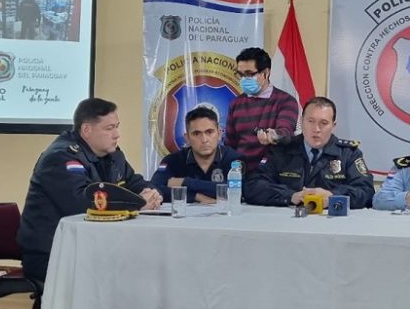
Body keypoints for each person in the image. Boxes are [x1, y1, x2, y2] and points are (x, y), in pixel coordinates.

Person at [17, 98, 162, 282]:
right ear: (86, 130)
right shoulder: (61, 157)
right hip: (52, 253)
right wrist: (138, 204)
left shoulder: (113, 155)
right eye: (109, 128)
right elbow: (83, 204)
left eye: (117, 127)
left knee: (143, 265)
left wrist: (152, 193)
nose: (117, 134)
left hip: (88, 246)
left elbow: (135, 181)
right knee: (126, 275)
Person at [244, 96, 374, 209]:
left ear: (333, 126)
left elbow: (366, 192)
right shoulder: (282, 150)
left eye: (324, 123)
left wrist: (333, 196)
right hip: (288, 221)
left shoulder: (348, 154)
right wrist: (290, 196)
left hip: (331, 222)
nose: (316, 129)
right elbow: (253, 186)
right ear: (302, 121)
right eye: (310, 121)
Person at [225, 47, 299, 173]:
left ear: (266, 72)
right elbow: (229, 146)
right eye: (241, 74)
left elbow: (286, 132)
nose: (244, 79)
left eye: (249, 74)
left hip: (272, 175)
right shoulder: (235, 104)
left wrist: (274, 135)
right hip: (240, 174)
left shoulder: (285, 101)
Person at [151, 106, 244, 203]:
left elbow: (240, 190)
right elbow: (154, 189)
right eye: (196, 134)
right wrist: (195, 196)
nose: (204, 140)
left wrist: (185, 182)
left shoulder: (233, 159)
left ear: (219, 134)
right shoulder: (172, 161)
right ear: (187, 138)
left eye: (209, 132)